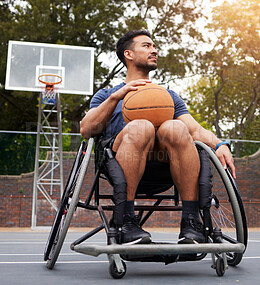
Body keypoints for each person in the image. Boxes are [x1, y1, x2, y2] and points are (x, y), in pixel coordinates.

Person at [80, 30, 236, 245]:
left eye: (154, 46)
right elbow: (87, 129)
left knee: (176, 127)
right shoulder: (107, 95)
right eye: (147, 46)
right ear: (129, 54)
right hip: (120, 165)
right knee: (141, 127)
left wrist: (220, 144)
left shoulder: (168, 96)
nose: (154, 50)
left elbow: (196, 130)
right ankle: (126, 220)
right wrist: (118, 96)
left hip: (165, 167)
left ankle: (191, 221)